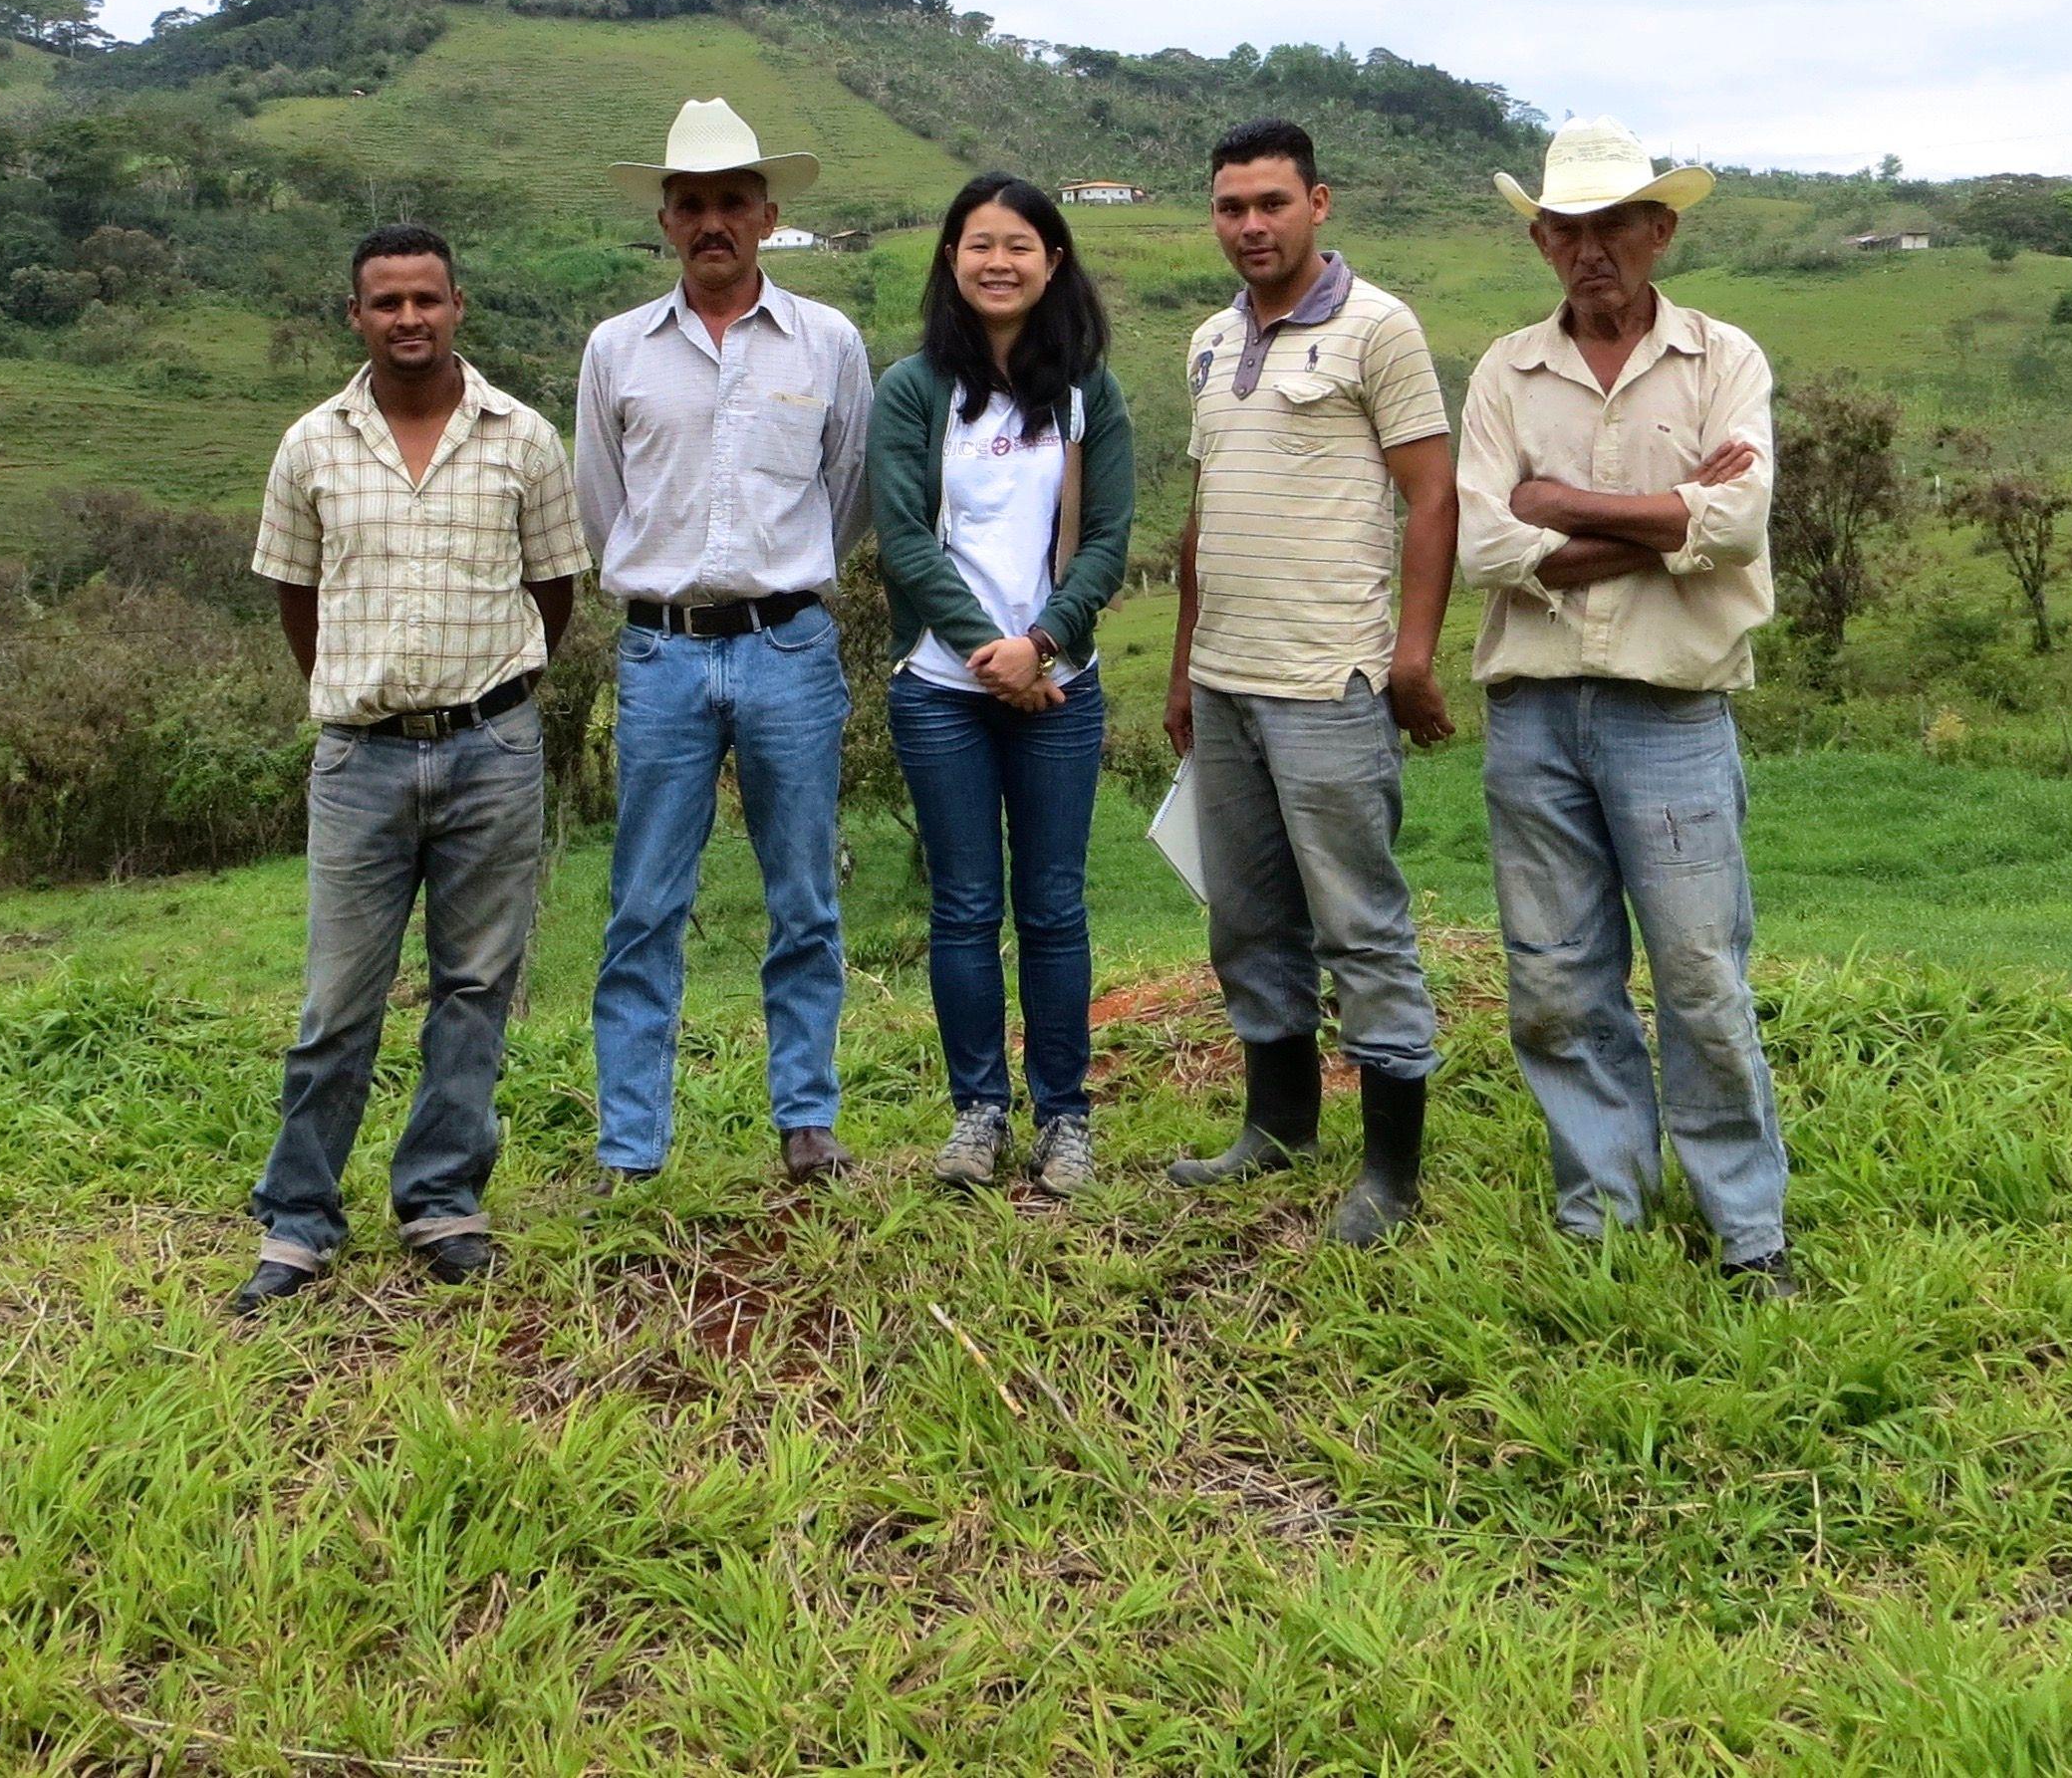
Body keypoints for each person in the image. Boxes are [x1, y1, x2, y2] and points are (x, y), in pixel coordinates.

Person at [1453, 116, 1796, 1294]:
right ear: (1541, 239)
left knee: (1700, 971)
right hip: (1536, 709)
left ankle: (1747, 1226)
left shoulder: (1722, 359)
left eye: (1613, 228)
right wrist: (1663, 522)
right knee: (1555, 973)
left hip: (1670, 710)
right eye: (1567, 230)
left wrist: (1564, 505)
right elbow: (1488, 544)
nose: (1589, 250)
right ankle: (1601, 1208)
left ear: (1660, 232)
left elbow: (1739, 521)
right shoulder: (1507, 367)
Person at [236, 224, 590, 1313]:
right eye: (385, 301)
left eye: (425, 299)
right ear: (355, 316)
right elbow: (297, 595)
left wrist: (487, 691)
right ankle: (298, 1223)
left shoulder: (523, 439)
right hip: (361, 758)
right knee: (338, 999)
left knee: (475, 989)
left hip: (492, 749)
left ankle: (443, 1201)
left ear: (457, 306)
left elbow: (555, 590)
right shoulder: (311, 446)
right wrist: (355, 693)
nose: (408, 319)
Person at [1161, 118, 1461, 1245]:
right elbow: (1203, 518)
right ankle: (1275, 1128)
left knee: (1360, 924)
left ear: (1317, 204)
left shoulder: (1379, 329)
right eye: (1231, 207)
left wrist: (1411, 657)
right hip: (1228, 681)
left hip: (1328, 678)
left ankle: (1390, 1173)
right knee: (1244, 918)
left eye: (1270, 204)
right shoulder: (1203, 340)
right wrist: (1186, 664)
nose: (1249, 225)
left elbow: (1432, 497)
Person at [573, 98, 878, 1188]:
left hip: (787, 647)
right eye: (691, 204)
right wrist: (670, 594)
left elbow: (845, 495)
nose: (713, 222)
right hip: (660, 653)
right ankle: (630, 1146)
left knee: (803, 893)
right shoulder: (616, 351)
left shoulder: (827, 343)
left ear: (767, 215)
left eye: (731, 204)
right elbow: (601, 506)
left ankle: (806, 1120)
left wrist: (774, 581)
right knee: (644, 901)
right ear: (664, 221)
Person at [870, 175, 1136, 1195]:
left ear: (1053, 261)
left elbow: (1108, 535)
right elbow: (902, 537)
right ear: (949, 259)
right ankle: (977, 1111)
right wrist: (992, 650)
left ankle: (1064, 1116)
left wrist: (1046, 644)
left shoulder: (1084, 392)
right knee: (966, 906)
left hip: (1060, 688)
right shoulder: (911, 391)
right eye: (978, 243)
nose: (997, 261)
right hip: (941, 687)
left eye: (1019, 245)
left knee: (1055, 906)